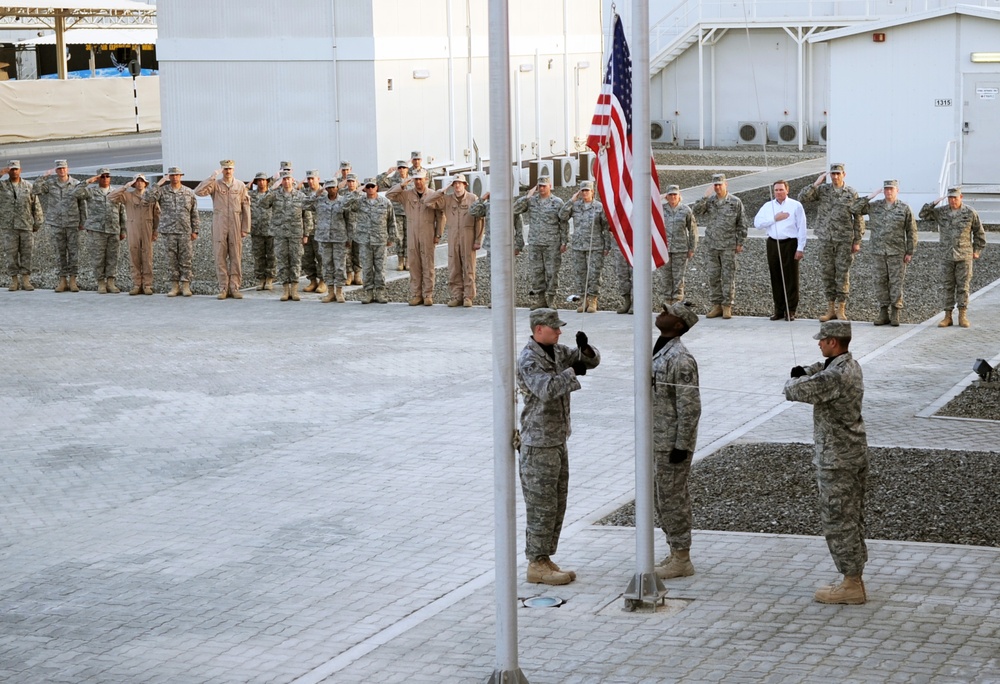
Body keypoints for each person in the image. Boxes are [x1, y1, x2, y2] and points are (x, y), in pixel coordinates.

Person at [785, 320, 868, 604]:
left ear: (833, 342)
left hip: (837, 459)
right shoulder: (848, 365)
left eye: (822, 341)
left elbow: (793, 391)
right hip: (850, 453)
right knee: (852, 518)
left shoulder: (835, 377)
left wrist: (795, 378)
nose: (818, 344)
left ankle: (851, 583)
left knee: (838, 521)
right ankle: (854, 578)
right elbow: (820, 369)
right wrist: (806, 370)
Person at [516, 308, 600, 585]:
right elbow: (546, 390)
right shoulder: (530, 358)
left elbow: (588, 362)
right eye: (555, 328)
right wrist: (570, 373)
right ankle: (536, 562)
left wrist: (586, 349)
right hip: (538, 443)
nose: (559, 332)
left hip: (557, 439)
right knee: (541, 505)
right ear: (539, 329)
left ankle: (544, 556)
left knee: (556, 502)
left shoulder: (556, 351)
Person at [651, 301, 702, 580]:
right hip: (657, 437)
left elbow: (689, 406)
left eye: (667, 312)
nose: (661, 313)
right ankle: (674, 548)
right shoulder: (661, 348)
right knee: (661, 498)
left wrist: (682, 445)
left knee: (673, 498)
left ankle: (682, 557)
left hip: (671, 442)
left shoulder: (680, 359)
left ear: (679, 324)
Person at [798, 164, 865, 322]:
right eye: (833, 174)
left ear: (844, 174)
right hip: (826, 238)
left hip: (844, 240)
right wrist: (816, 183)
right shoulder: (822, 190)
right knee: (827, 273)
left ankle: (841, 308)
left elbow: (859, 217)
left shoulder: (851, 193)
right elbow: (802, 198)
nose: (835, 177)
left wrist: (857, 240)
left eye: (838, 174)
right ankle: (830, 308)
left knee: (842, 273)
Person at [852, 180, 917, 327]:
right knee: (880, 281)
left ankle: (896, 311)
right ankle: (883, 311)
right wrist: (871, 196)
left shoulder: (904, 208)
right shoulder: (875, 207)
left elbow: (911, 231)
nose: (889, 192)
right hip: (878, 251)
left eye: (891, 189)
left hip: (897, 252)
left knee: (896, 282)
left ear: (897, 190)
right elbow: (854, 209)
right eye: (886, 189)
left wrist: (910, 250)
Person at [920, 187, 986, 329]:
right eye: (950, 198)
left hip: (964, 255)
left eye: (955, 198)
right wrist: (934, 202)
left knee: (963, 287)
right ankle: (947, 316)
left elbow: (979, 233)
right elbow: (923, 214)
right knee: (948, 287)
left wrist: (977, 250)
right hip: (946, 256)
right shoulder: (941, 211)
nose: (952, 201)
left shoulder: (969, 213)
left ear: (960, 197)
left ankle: (962, 315)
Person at [693, 173, 747, 319]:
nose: (717, 187)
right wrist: (705, 196)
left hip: (728, 245)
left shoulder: (735, 202)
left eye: (720, 184)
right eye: (715, 185)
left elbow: (742, 223)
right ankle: (716, 305)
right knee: (713, 276)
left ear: (725, 184)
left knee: (728, 276)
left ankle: (727, 306)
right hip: (712, 245)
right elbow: (696, 211)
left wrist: (740, 242)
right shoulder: (709, 202)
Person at [194, 160, 251, 299]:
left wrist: (245, 227)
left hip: (235, 222)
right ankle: (223, 288)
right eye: (225, 169)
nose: (228, 171)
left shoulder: (240, 185)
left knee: (236, 257)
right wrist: (212, 177)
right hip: (219, 222)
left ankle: (235, 287)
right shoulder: (215, 184)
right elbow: (198, 192)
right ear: (222, 170)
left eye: (230, 169)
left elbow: (246, 207)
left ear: (234, 169)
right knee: (220, 256)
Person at [386, 169, 444, 306]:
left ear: (426, 180)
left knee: (428, 264)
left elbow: (441, 216)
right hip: (412, 233)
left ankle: (428, 294)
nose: (418, 182)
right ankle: (416, 294)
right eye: (416, 179)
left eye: (421, 179)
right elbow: (389, 195)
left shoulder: (432, 195)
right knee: (414, 265)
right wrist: (402, 185)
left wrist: (438, 234)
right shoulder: (406, 195)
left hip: (427, 233)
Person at [423, 173, 481, 307]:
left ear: (465, 185)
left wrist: (477, 239)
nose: (457, 186)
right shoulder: (447, 199)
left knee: (468, 267)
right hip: (453, 235)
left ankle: (468, 296)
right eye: (455, 183)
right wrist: (443, 190)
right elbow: (428, 202)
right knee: (454, 267)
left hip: (468, 235)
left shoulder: (473, 198)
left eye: (460, 183)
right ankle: (457, 295)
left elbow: (479, 220)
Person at [753, 180, 807, 321]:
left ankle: (791, 310)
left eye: (781, 190)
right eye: (776, 190)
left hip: (790, 243)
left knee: (790, 277)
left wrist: (800, 248)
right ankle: (779, 309)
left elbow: (802, 227)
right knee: (776, 276)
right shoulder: (767, 206)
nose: (778, 192)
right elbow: (757, 223)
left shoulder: (795, 206)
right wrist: (774, 219)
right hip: (773, 243)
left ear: (787, 190)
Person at [513, 176, 568, 310]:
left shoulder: (557, 202)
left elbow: (564, 223)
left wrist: (564, 241)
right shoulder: (532, 201)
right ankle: (540, 299)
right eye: (540, 186)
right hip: (535, 242)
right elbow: (515, 209)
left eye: (544, 186)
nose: (542, 188)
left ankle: (551, 298)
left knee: (552, 272)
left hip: (552, 243)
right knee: (536, 272)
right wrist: (527, 196)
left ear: (550, 186)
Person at [144, 167, 200, 297]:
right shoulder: (162, 191)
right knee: (171, 260)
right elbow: (148, 199)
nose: (175, 178)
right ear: (168, 177)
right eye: (172, 175)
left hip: (185, 230)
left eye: (177, 175)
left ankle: (185, 285)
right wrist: (158, 184)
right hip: (168, 231)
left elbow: (194, 213)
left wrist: (195, 230)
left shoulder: (188, 192)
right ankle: (174, 286)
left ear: (181, 176)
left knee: (186, 259)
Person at [559, 180, 611, 313]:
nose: (585, 193)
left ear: (592, 192)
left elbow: (606, 227)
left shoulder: (599, 207)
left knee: (594, 273)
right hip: (578, 245)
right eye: (582, 190)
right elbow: (562, 216)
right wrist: (571, 200)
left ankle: (593, 299)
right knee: (580, 273)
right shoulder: (575, 206)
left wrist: (607, 245)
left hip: (595, 245)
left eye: (587, 190)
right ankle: (583, 299)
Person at [33, 159, 84, 292]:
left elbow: (82, 204)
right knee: (59, 252)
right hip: (56, 223)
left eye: (64, 168)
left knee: (73, 252)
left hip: (72, 222)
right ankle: (62, 280)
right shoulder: (50, 183)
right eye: (59, 169)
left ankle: (73, 280)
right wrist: (44, 176)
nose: (62, 171)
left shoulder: (76, 184)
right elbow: (36, 189)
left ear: (68, 169)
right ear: (56, 170)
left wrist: (83, 221)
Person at [259, 170, 310, 301]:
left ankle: (294, 289)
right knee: (282, 261)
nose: (286, 181)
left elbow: (307, 216)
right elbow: (263, 204)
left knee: (296, 261)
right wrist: (272, 188)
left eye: (288, 179)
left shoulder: (300, 196)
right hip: (280, 234)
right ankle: (285, 290)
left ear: (293, 180)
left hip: (295, 234)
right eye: (284, 179)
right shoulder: (275, 195)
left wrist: (306, 234)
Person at [345, 177, 397, 304]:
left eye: (372, 186)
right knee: (367, 268)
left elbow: (391, 220)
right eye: (367, 187)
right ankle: (368, 292)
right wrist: (357, 191)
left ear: (377, 187)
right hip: (364, 240)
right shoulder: (359, 202)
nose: (370, 189)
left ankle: (380, 292)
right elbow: (345, 204)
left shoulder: (385, 202)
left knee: (380, 267)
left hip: (380, 240)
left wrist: (392, 237)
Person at [74, 168, 127, 294]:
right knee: (98, 257)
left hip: (113, 229)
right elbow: (76, 192)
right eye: (102, 176)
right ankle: (100, 282)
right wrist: (89, 181)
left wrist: (123, 229)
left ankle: (111, 282)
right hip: (96, 230)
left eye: (107, 176)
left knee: (113, 257)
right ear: (98, 178)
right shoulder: (91, 192)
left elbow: (122, 212)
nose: (105, 179)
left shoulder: (116, 192)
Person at [110, 173, 159, 295]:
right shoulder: (127, 196)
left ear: (145, 183)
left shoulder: (150, 196)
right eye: (137, 181)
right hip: (133, 228)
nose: (139, 183)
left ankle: (147, 284)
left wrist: (155, 231)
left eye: (141, 181)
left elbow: (157, 214)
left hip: (147, 227)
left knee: (147, 257)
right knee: (134, 255)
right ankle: (137, 284)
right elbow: (111, 197)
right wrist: (125, 187)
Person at [0, 160, 44, 292]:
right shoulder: (2, 186)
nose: (14, 172)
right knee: (11, 254)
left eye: (16, 169)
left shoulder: (28, 186)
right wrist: (1, 173)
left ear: (20, 170)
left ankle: (26, 280)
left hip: (26, 225)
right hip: (9, 226)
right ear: (8, 170)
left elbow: (36, 205)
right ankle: (14, 280)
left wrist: (38, 223)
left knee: (27, 253)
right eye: (12, 169)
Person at [308, 180, 352, 303]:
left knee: (339, 265)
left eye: (333, 187)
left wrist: (349, 238)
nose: (331, 190)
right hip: (324, 238)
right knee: (327, 264)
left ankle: (339, 291)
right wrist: (316, 194)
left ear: (337, 188)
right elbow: (304, 204)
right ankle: (330, 291)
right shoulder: (320, 201)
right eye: (329, 188)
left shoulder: (343, 201)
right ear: (325, 189)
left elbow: (349, 220)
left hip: (339, 238)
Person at [659, 184, 699, 305]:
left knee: (678, 277)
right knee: (666, 276)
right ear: (666, 196)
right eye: (670, 194)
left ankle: (677, 301)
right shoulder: (660, 209)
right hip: (664, 248)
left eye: (675, 194)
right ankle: (667, 300)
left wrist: (692, 247)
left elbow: (693, 230)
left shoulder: (686, 210)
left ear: (679, 196)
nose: (672, 197)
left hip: (680, 249)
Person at [378, 160, 411, 271]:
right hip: (397, 212)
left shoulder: (412, 180)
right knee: (399, 237)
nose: (402, 170)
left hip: (409, 212)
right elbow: (379, 181)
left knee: (409, 237)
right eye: (400, 168)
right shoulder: (393, 180)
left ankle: (408, 260)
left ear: (407, 169)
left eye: (404, 168)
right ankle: (400, 260)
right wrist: (387, 172)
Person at [299, 169, 326, 295]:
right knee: (307, 258)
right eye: (308, 179)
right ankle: (312, 280)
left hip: (321, 231)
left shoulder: (325, 193)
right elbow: (302, 211)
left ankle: (323, 281)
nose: (310, 181)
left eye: (312, 179)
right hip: (307, 231)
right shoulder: (304, 193)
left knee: (321, 257)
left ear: (318, 179)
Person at [247, 172, 275, 290]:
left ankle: (269, 279)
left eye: (263, 180)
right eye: (258, 180)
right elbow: (239, 192)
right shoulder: (251, 195)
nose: (261, 182)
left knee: (272, 256)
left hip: (271, 230)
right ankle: (261, 279)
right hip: (256, 230)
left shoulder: (273, 195)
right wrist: (249, 184)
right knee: (258, 256)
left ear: (267, 181)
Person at [341, 173, 363, 286]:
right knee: (347, 253)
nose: (351, 183)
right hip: (346, 229)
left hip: (359, 229)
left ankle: (357, 274)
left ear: (357, 182)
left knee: (358, 253)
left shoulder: (362, 195)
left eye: (353, 181)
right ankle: (349, 274)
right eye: (349, 181)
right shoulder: (343, 196)